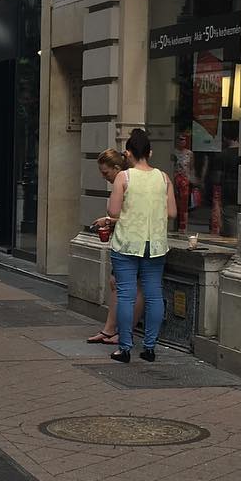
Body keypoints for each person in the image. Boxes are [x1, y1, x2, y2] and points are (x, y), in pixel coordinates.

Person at [101, 127, 176, 363]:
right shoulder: (164, 178)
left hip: (127, 243)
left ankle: (124, 348)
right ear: (150, 153)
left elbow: (113, 211)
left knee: (126, 295)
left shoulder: (124, 177)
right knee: (154, 294)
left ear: (129, 154)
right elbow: (172, 212)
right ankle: (150, 348)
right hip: (155, 244)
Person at [88, 148, 143, 345]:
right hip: (123, 241)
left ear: (117, 168)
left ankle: (123, 332)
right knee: (114, 283)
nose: (104, 177)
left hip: (135, 242)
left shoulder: (127, 182)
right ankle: (110, 329)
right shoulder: (122, 181)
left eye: (106, 173)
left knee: (135, 288)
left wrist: (109, 220)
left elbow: (134, 216)